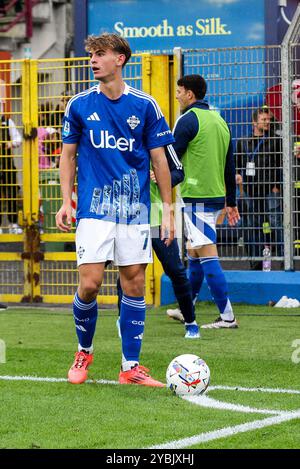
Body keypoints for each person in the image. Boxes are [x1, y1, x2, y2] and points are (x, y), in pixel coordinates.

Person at [56, 33, 175, 387]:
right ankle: (84, 350)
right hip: (93, 210)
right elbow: (67, 155)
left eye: (100, 54)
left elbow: (159, 160)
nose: (92, 59)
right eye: (91, 54)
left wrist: (167, 209)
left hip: (134, 211)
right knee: (90, 284)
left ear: (120, 59)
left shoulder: (146, 106)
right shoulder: (78, 104)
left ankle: (130, 367)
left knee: (134, 284)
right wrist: (66, 200)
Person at [169, 74, 240, 330]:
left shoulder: (187, 120)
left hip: (196, 197)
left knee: (206, 253)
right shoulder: (220, 121)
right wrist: (231, 201)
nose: (177, 95)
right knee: (194, 251)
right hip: (216, 196)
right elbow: (230, 164)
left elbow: (170, 157)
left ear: (189, 94)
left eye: (179, 91)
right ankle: (188, 306)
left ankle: (228, 317)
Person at [116, 153, 201, 340]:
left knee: (176, 270)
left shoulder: (159, 140)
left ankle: (190, 321)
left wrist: (163, 176)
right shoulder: (121, 137)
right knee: (128, 271)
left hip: (157, 218)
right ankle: (124, 320)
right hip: (130, 218)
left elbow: (179, 172)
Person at [235, 106, 283, 267]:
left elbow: (280, 165)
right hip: (250, 190)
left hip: (270, 190)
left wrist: (276, 186)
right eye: (264, 120)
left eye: (269, 119)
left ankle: (285, 259)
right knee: (251, 226)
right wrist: (239, 179)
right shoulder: (243, 142)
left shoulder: (275, 141)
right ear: (254, 122)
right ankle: (255, 262)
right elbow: (237, 165)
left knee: (277, 224)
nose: (267, 122)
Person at [0, 111, 22, 234]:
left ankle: (13, 223)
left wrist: (10, 143)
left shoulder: (8, 122)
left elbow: (18, 139)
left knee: (12, 193)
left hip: (7, 163)